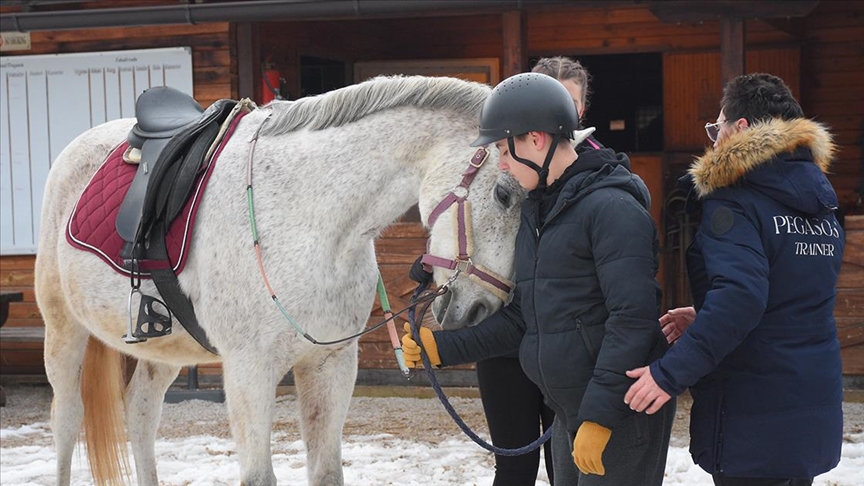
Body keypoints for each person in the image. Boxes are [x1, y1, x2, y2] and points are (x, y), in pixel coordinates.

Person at [402, 71, 674, 485]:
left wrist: (600, 417)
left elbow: (632, 321)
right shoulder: (537, 213)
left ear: (536, 139)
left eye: (503, 149)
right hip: (571, 411)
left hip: (619, 414)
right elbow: (525, 319)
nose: (502, 164)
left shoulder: (613, 209)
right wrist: (440, 347)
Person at [624, 73, 844, 486]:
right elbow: (790, 293)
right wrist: (707, 313)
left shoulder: (737, 198)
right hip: (811, 403)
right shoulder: (821, 199)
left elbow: (742, 298)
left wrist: (669, 374)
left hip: (755, 413)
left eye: (717, 126)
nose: (714, 138)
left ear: (740, 128)